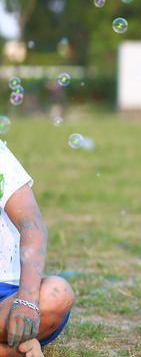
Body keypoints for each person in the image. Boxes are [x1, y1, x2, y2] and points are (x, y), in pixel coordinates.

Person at [0, 142, 75, 356]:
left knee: (57, 293)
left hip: (8, 298)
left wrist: (26, 300)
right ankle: (11, 352)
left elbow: (31, 224)